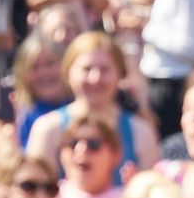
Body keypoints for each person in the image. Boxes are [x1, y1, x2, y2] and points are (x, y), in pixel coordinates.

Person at [25, 27, 147, 173]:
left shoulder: (141, 133)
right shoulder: (47, 130)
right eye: (87, 69)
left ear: (120, 74)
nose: (95, 78)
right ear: (68, 73)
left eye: (104, 70)